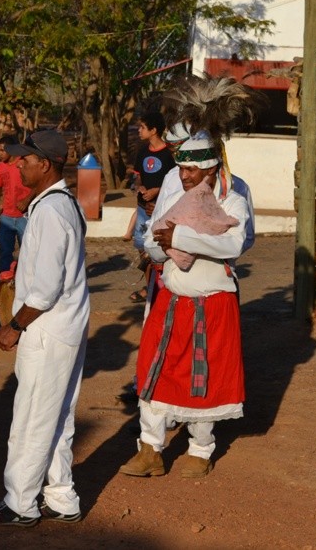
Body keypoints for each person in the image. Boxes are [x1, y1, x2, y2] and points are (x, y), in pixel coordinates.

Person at [0, 130, 90, 527]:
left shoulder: (52, 210)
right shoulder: (58, 204)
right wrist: (6, 286)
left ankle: (20, 503)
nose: (18, 164)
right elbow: (42, 270)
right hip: (62, 326)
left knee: (32, 417)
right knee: (56, 414)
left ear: (47, 165)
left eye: (26, 159)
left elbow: (46, 288)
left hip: (47, 328)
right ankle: (61, 497)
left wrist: (13, 326)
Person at [119, 132, 249, 480]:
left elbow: (233, 244)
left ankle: (200, 449)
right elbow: (152, 241)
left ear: (211, 168)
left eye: (192, 169)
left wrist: (180, 237)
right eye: (182, 169)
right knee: (154, 368)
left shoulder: (233, 202)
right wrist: (163, 244)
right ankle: (150, 449)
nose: (185, 176)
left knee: (202, 377)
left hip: (212, 302)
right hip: (171, 298)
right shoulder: (176, 196)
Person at [128, 112, 176, 303]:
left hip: (162, 210)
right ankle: (150, 288)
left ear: (154, 130)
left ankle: (163, 288)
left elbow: (175, 183)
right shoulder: (142, 151)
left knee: (160, 248)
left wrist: (157, 191)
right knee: (143, 248)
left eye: (142, 127)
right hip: (143, 208)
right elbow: (138, 176)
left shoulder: (169, 155)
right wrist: (140, 186)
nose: (139, 131)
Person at [0, 135, 31, 274]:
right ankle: (6, 279)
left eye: (2, 150)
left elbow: (37, 185)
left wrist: (26, 201)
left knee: (28, 251)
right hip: (6, 216)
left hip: (24, 216)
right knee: (5, 251)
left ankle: (25, 278)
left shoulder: (23, 162)